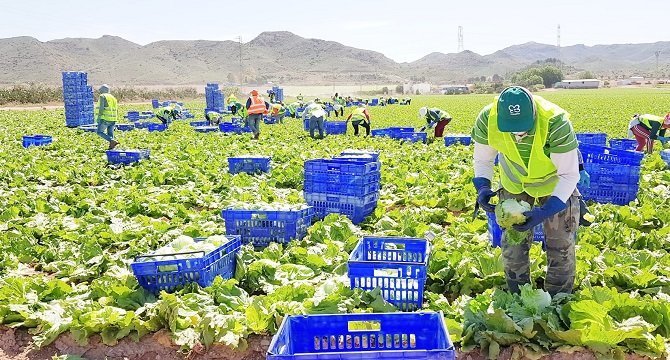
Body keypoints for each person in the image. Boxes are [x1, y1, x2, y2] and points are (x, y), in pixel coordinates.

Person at [471, 86, 581, 296]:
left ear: (534, 113)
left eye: (522, 127)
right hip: (515, 182)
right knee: (513, 243)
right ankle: (519, 296)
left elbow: (569, 175)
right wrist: (483, 186)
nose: (517, 133)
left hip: (554, 183)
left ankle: (559, 298)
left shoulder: (555, 122)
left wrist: (546, 210)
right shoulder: (487, 119)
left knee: (560, 244)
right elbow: (483, 159)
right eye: (510, 127)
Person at [95, 84, 119, 149]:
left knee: (99, 132)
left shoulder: (102, 96)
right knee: (110, 134)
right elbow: (116, 109)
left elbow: (101, 108)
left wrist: (99, 117)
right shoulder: (113, 97)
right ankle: (112, 147)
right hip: (113, 119)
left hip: (105, 118)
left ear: (102, 90)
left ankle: (112, 141)